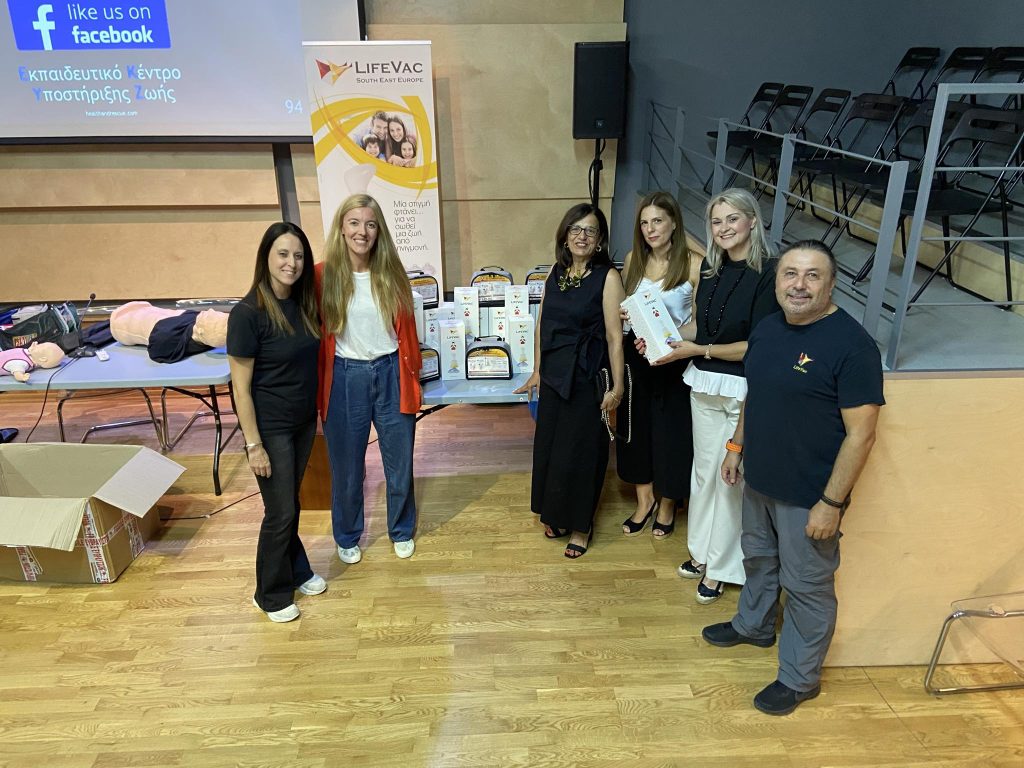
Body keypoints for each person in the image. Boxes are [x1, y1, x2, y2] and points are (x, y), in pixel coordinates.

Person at [703, 240, 884, 716]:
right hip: (760, 478)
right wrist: (737, 447)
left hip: (810, 494)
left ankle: (800, 679)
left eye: (812, 275)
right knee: (759, 559)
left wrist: (831, 503)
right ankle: (754, 626)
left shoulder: (852, 346)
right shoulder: (768, 328)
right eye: (790, 274)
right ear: (778, 280)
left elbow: (862, 435)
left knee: (806, 587)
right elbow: (756, 393)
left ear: (831, 284)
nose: (798, 285)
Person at [642, 187, 778, 604]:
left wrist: (697, 351)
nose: (723, 228)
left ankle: (721, 568)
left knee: (728, 477)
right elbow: (698, 330)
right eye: (717, 221)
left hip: (740, 387)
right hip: (702, 383)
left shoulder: (770, 272)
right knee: (702, 474)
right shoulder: (710, 268)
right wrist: (660, 340)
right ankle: (700, 553)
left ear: (752, 221)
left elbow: (757, 346)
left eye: (732, 219)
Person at [514, 203, 625, 558]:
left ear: (600, 239)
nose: (582, 236)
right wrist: (537, 370)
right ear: (565, 235)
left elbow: (614, 338)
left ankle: (581, 525)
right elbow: (542, 323)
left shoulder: (608, 277)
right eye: (576, 229)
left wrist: (618, 386)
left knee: (582, 452)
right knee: (553, 449)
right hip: (554, 375)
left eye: (590, 230)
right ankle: (558, 515)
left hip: (587, 376)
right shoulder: (555, 271)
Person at [316, 194, 422, 564]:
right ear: (342, 228)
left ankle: (401, 529)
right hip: (345, 377)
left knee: (399, 464)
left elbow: (407, 333)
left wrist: (414, 378)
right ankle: (347, 534)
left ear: (379, 231)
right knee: (347, 469)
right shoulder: (321, 276)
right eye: (355, 223)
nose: (362, 231)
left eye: (370, 224)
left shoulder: (392, 274)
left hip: (391, 373)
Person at [227, 222, 324, 623]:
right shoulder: (247, 314)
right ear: (266, 256)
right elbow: (240, 389)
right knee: (279, 511)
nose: (292, 263)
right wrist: (254, 445)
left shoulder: (302, 304)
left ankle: (297, 569)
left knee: (288, 503)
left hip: (302, 422)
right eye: (283, 254)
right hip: (270, 429)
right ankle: (268, 594)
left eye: (299, 256)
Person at [618, 191, 700, 540]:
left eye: (658, 221)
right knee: (636, 427)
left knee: (672, 433)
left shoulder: (695, 264)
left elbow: (699, 322)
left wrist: (672, 341)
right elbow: (625, 309)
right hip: (637, 354)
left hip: (676, 358)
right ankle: (645, 499)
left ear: (674, 223)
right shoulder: (632, 259)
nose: (650, 229)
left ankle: (668, 503)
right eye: (644, 223)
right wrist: (626, 316)